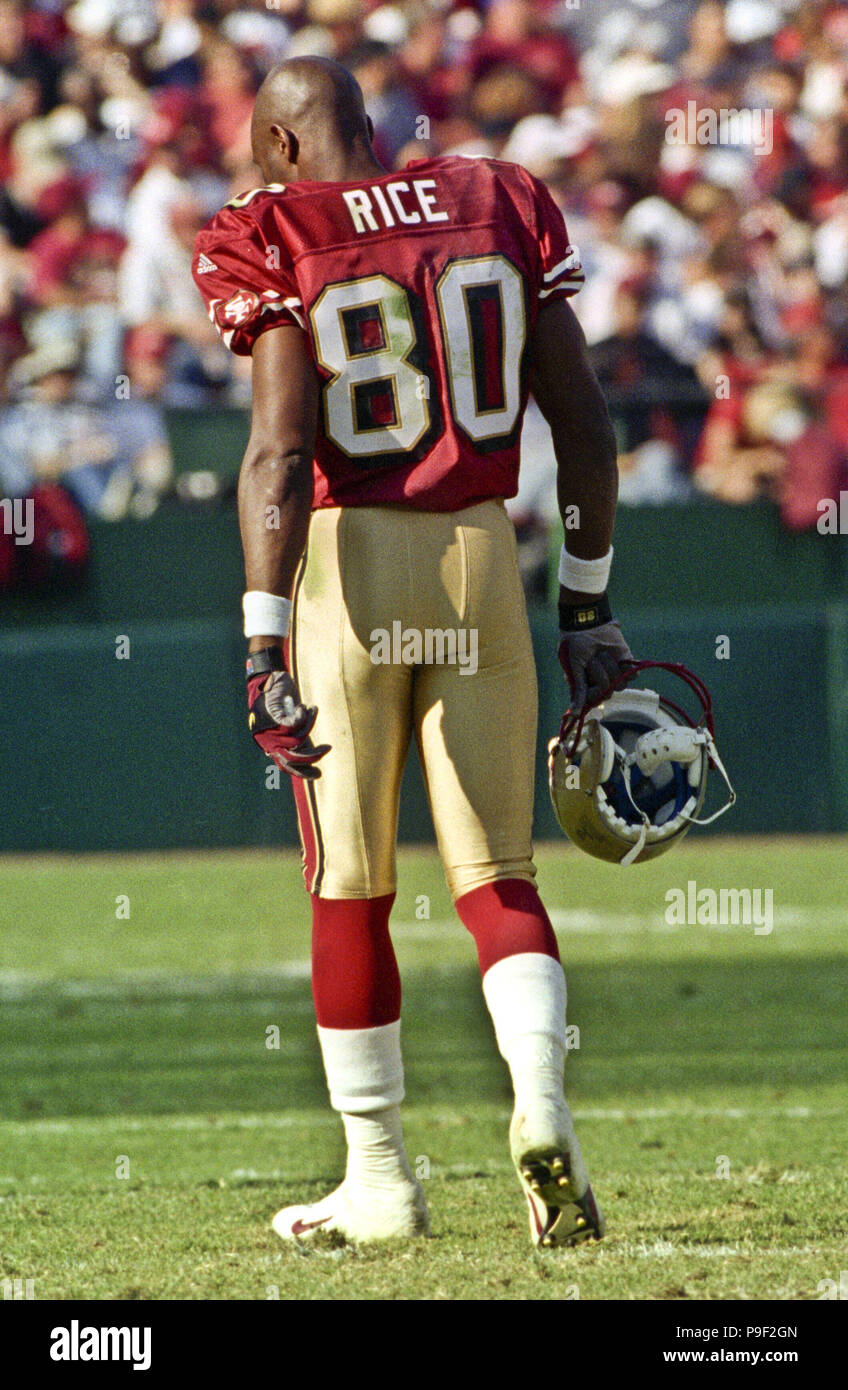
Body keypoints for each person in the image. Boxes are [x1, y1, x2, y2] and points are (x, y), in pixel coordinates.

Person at [192, 56, 633, 1249]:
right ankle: (540, 1108)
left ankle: (380, 1176)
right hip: (484, 555)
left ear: (281, 148)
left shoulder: (271, 227)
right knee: (497, 877)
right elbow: (585, 425)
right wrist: (586, 611)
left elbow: (280, 455)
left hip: (350, 565)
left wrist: (259, 636)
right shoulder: (494, 197)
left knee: (351, 884)